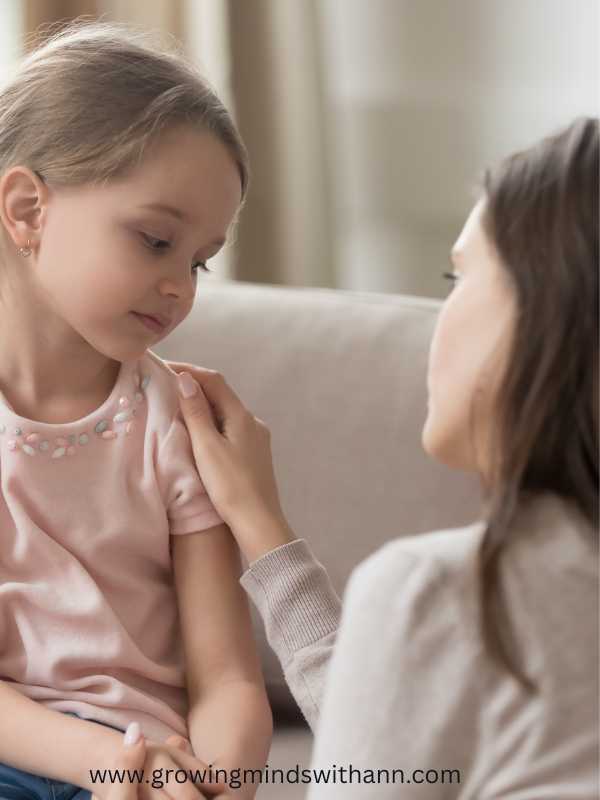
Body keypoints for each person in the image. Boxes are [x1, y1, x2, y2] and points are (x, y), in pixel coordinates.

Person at [166, 116, 599, 797]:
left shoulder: (450, 595)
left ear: (552, 311)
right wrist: (260, 525)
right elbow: (390, 734)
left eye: (458, 278)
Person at [0, 19, 270, 800]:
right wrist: (112, 762)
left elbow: (228, 683)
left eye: (199, 262)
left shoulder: (175, 422)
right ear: (26, 210)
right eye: (155, 241)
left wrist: (214, 784)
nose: (182, 286)